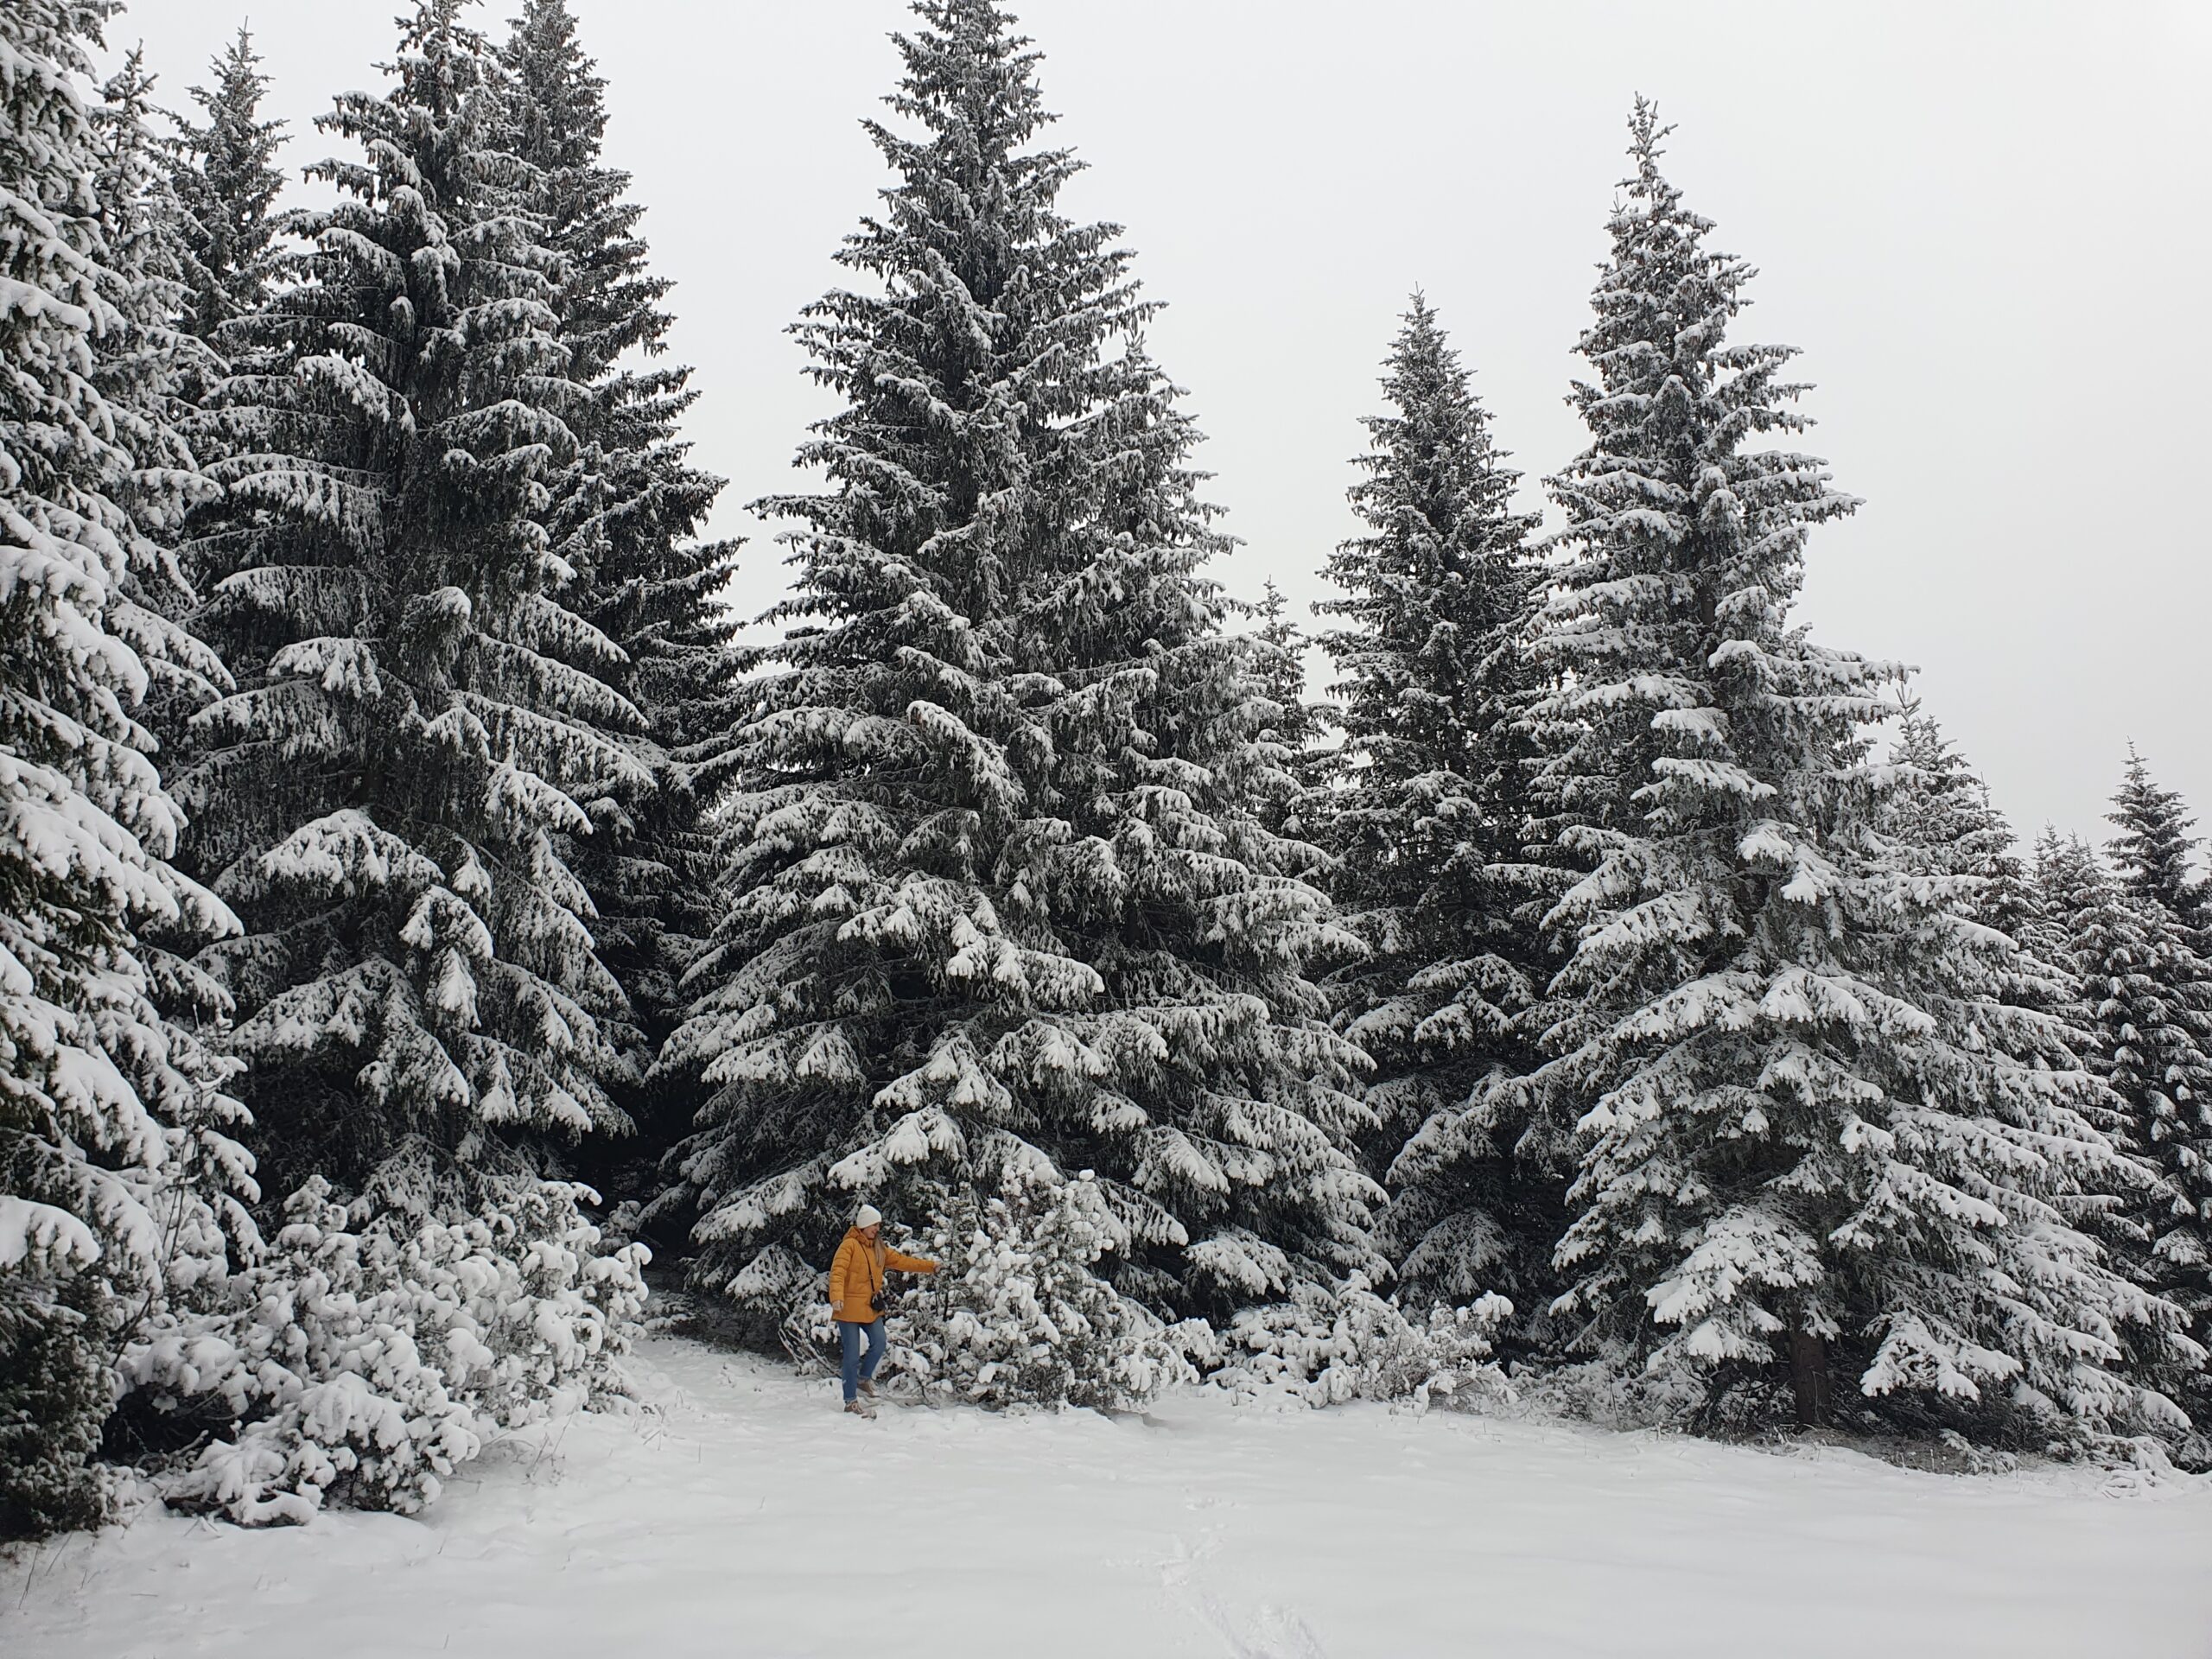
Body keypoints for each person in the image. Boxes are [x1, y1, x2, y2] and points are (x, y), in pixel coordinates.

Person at [828, 1203, 939, 1416]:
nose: (877, 1229)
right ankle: (850, 1400)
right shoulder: (849, 1245)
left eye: (878, 1225)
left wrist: (929, 1266)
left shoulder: (878, 1248)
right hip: (848, 1307)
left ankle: (863, 1379)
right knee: (851, 1356)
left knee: (879, 1343)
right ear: (863, 1225)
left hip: (870, 1306)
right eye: (874, 1225)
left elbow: (903, 1262)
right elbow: (838, 1272)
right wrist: (836, 1298)